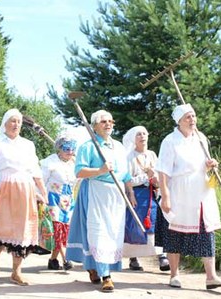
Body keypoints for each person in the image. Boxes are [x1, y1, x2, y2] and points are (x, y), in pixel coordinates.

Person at [155, 103, 221, 290]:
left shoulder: (200, 137)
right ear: (179, 121)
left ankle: (211, 277)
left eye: (194, 116)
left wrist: (211, 164)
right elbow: (163, 171)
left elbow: (202, 163)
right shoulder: (170, 141)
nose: (192, 120)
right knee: (174, 232)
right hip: (179, 191)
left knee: (206, 231)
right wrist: (165, 196)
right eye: (188, 117)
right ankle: (174, 275)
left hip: (201, 190)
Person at [66, 110, 135, 293]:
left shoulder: (119, 147)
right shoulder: (88, 146)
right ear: (95, 125)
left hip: (116, 195)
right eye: (104, 121)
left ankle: (95, 267)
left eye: (111, 121)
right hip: (95, 192)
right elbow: (79, 172)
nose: (108, 124)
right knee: (98, 233)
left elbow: (126, 173)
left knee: (112, 233)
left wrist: (131, 191)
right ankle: (106, 276)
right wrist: (100, 170)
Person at [0, 108, 48, 286]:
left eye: (18, 121)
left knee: (23, 230)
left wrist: (43, 190)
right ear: (4, 123)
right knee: (2, 228)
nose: (16, 124)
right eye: (12, 121)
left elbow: (35, 169)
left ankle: (16, 271)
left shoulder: (28, 145)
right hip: (2, 190)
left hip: (25, 190)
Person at [121, 126, 170, 272]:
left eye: (144, 133)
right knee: (135, 226)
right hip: (136, 195)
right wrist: (146, 177)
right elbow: (127, 180)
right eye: (138, 135)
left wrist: (155, 181)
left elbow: (157, 175)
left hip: (152, 194)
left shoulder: (152, 155)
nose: (142, 136)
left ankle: (162, 256)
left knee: (156, 223)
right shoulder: (129, 157)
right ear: (133, 139)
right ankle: (133, 258)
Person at [40, 134, 77, 271]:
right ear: (59, 149)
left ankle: (53, 259)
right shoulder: (50, 162)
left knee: (65, 230)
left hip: (68, 200)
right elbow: (41, 181)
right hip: (53, 199)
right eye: (67, 148)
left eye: (72, 148)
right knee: (57, 229)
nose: (70, 151)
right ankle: (65, 259)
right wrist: (40, 198)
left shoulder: (74, 163)